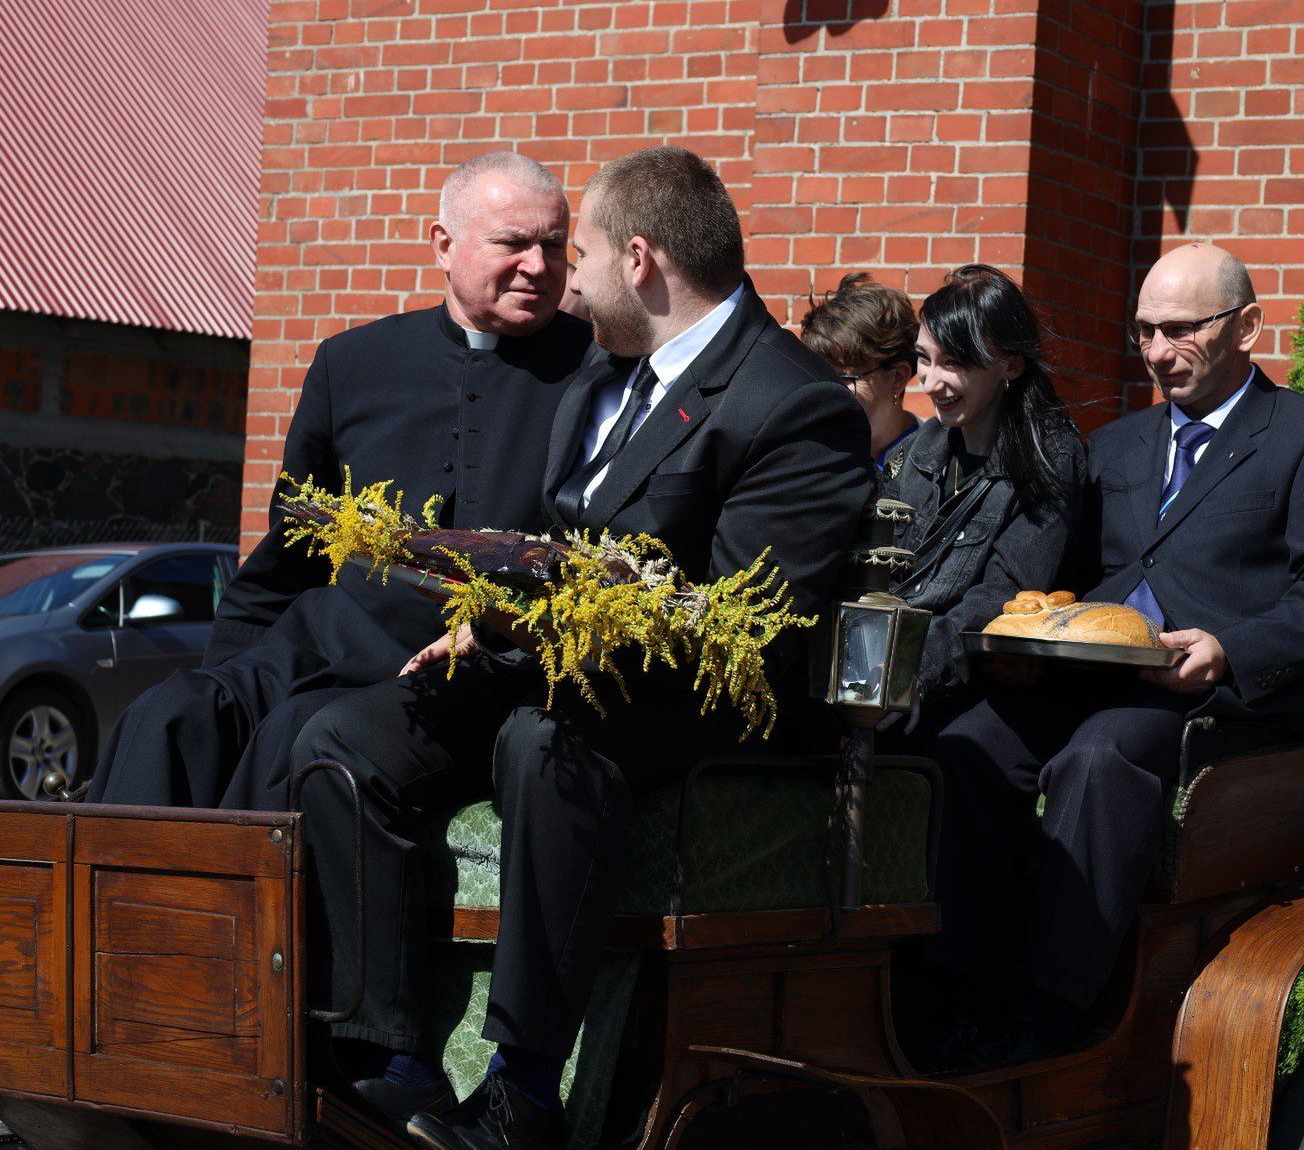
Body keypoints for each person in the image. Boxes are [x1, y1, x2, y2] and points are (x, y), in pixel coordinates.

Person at [283, 146, 872, 1150]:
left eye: (581, 251)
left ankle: (522, 1089)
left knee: (539, 743)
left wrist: (537, 620)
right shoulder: (603, 375)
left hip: (689, 705)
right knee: (342, 739)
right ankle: (387, 1053)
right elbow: (562, 544)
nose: (566, 276)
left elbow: (737, 623)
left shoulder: (792, 401)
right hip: (548, 666)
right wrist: (491, 601)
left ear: (640, 258)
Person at [925, 242, 1304, 1069]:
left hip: (1213, 704)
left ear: (1246, 325)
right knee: (968, 746)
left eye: (1179, 330)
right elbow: (1068, 576)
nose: (1156, 353)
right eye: (1143, 332)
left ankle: (1049, 1016)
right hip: (1092, 676)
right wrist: (1028, 645)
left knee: (1101, 759)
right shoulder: (1115, 445)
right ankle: (962, 996)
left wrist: (1231, 649)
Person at [83, 152, 595, 809]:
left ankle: (240, 912)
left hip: (463, 666)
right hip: (327, 640)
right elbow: (291, 550)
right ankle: (119, 910)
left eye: (554, 245)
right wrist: (224, 671)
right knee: (174, 714)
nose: (538, 264)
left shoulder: (601, 375)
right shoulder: (353, 362)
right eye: (513, 243)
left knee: (297, 735)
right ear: (443, 245)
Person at [868, 266, 1084, 1026]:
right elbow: (879, 570)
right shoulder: (922, 451)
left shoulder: (1048, 455)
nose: (933, 381)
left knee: (955, 759)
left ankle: (965, 994)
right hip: (908, 670)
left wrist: (909, 682)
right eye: (926, 360)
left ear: (1011, 365)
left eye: (955, 363)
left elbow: (1000, 599)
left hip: (1013, 683)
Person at [799, 273, 921, 471]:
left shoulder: (938, 466)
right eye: (820, 377)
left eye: (844, 378)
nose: (828, 391)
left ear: (897, 378)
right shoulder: (806, 457)